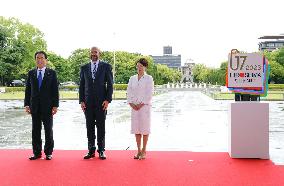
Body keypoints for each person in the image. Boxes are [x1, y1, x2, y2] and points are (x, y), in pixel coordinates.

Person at [79, 46, 113, 160]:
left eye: (96, 52)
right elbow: (82, 85)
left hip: (101, 103)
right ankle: (91, 150)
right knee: (89, 127)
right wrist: (81, 101)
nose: (93, 54)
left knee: (101, 127)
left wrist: (107, 100)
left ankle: (101, 150)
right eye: (92, 52)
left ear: (99, 54)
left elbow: (110, 85)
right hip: (87, 103)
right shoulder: (84, 67)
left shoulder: (106, 67)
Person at [24, 51, 59, 160]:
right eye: (37, 58)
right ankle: (37, 153)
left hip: (48, 107)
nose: (39, 60)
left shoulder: (52, 73)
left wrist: (55, 106)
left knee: (48, 130)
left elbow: (55, 90)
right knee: (35, 130)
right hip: (34, 107)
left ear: (46, 60)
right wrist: (26, 105)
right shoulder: (31, 73)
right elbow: (28, 90)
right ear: (35, 60)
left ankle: (48, 153)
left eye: (42, 58)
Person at [127, 58, 154, 160]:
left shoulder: (149, 78)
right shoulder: (132, 78)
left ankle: (144, 150)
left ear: (145, 67)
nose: (139, 68)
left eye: (141, 66)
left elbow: (149, 93)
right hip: (134, 107)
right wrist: (131, 103)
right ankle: (138, 150)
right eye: (137, 66)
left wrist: (141, 104)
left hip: (144, 107)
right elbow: (129, 91)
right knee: (136, 129)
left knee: (145, 129)